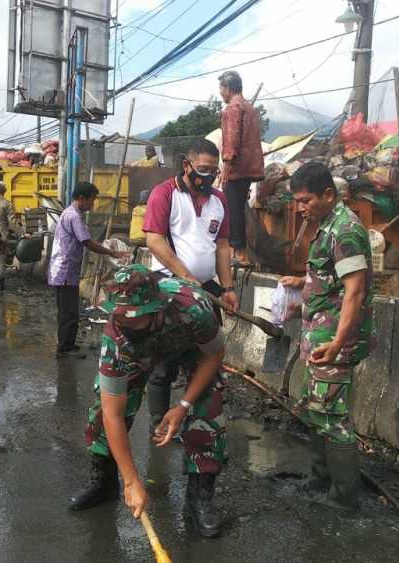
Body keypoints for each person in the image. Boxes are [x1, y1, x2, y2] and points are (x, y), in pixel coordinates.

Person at [69, 264, 227, 538]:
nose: (126, 323)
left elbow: (213, 355)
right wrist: (131, 481)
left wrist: (183, 406)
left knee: (209, 405)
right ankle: (105, 482)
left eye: (135, 319)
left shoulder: (193, 306)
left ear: (158, 309)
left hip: (190, 348)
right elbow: (112, 413)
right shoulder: (116, 336)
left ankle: (199, 497)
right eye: (121, 318)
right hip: (139, 354)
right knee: (100, 413)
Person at [279, 161, 372, 510]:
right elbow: (331, 277)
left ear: (328, 195)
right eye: (296, 201)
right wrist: (303, 284)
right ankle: (320, 478)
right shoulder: (325, 225)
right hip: (318, 335)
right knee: (314, 408)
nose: (299, 208)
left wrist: (337, 344)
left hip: (335, 340)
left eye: (305, 200)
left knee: (333, 417)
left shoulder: (344, 231)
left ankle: (344, 496)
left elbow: (355, 292)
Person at [142, 138, 237, 431]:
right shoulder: (164, 194)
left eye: (214, 170)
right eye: (203, 169)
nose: (209, 176)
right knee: (163, 364)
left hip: (206, 290)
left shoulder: (219, 200)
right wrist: (185, 275)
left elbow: (222, 246)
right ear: (187, 165)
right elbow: (154, 240)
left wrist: (228, 287)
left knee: (206, 359)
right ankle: (160, 425)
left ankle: (200, 425)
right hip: (169, 289)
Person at [47, 181, 125, 359]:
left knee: (68, 310)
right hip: (64, 271)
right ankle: (65, 349)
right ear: (81, 198)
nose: (93, 204)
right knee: (69, 311)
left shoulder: (71, 213)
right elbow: (87, 242)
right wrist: (112, 252)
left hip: (65, 270)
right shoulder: (73, 216)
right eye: (91, 200)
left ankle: (67, 345)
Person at [217, 70, 265, 265]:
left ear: (228, 88)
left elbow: (232, 139)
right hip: (249, 169)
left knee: (232, 210)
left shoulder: (233, 108)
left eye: (221, 88)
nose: (220, 92)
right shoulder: (249, 108)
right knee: (238, 209)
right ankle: (239, 252)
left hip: (236, 169)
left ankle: (238, 253)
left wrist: (226, 167)